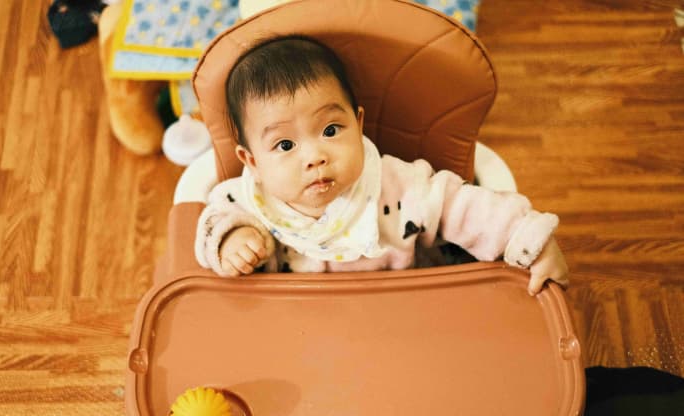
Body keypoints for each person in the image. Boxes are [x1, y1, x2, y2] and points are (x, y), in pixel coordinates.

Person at [195, 35, 569, 295]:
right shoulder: (246, 201)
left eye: (330, 129)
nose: (314, 157)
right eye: (286, 144)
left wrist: (531, 240)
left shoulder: (399, 187)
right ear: (252, 161)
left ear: (358, 124)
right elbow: (213, 221)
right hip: (300, 329)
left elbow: (462, 206)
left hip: (404, 315)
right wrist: (232, 241)